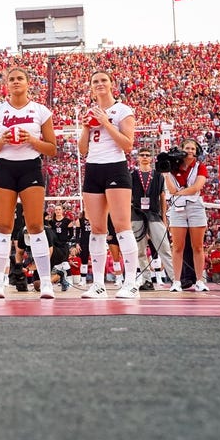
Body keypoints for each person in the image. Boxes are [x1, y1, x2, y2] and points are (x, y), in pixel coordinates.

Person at [0, 67, 59, 299]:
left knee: (35, 226)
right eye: (11, 79)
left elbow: (52, 149)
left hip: (30, 168)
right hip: (4, 168)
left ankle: (45, 282)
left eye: (19, 78)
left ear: (27, 83)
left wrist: (32, 140)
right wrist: (2, 140)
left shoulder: (41, 111)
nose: (15, 82)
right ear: (6, 84)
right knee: (3, 226)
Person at [77, 70, 138, 299]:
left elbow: (128, 144)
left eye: (103, 80)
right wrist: (86, 127)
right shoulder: (89, 112)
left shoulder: (122, 110)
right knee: (97, 229)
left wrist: (106, 123)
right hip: (93, 168)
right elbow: (83, 150)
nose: (100, 84)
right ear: (91, 87)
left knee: (122, 225)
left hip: (115, 167)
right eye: (95, 81)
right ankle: (99, 285)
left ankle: (131, 282)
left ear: (111, 84)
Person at [164, 139, 210, 292]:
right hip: (177, 208)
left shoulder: (200, 167)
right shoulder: (172, 166)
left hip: (195, 206)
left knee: (197, 246)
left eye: (193, 148)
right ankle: (176, 281)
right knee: (177, 247)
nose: (190, 151)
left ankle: (199, 280)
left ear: (197, 151)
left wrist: (178, 193)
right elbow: (170, 189)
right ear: (182, 149)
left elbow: (196, 187)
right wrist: (165, 175)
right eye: (187, 148)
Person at [129, 149, 173, 288]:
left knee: (164, 247)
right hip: (137, 215)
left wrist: (164, 219)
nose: (145, 157)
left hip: (154, 215)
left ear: (151, 158)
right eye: (142, 155)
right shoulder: (132, 175)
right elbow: (128, 197)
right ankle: (147, 280)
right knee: (140, 251)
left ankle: (175, 279)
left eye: (147, 155)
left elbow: (162, 197)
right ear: (138, 158)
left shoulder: (158, 176)